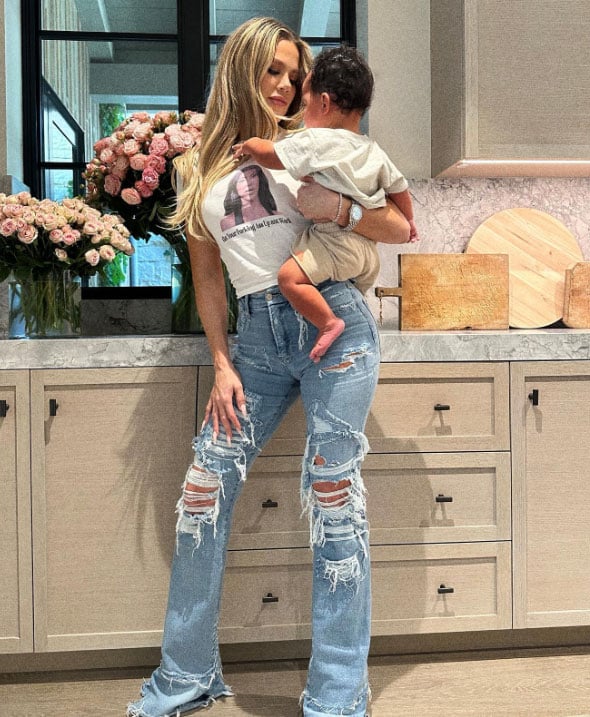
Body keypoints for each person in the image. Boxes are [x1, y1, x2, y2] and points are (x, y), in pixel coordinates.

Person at [126, 16, 409, 717]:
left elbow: (396, 226)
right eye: (272, 70)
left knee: (334, 500)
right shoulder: (196, 168)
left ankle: (337, 694)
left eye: (294, 74)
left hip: (332, 324)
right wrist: (221, 363)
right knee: (202, 491)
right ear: (240, 71)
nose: (284, 85)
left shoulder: (312, 143)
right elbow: (208, 279)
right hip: (253, 338)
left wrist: (339, 208)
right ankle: (186, 673)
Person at [234, 45, 418, 361]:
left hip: (333, 244)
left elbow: (272, 155)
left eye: (305, 103)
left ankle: (329, 322)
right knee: (350, 300)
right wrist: (411, 221)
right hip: (367, 254)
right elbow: (400, 190)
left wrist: (251, 144)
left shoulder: (315, 140)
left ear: (324, 102)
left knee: (289, 279)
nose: (301, 111)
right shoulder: (372, 150)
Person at [219, 164, 278, 231]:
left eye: (253, 176)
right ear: (234, 186)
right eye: (242, 180)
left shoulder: (278, 215)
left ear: (260, 179)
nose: (249, 183)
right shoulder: (227, 223)